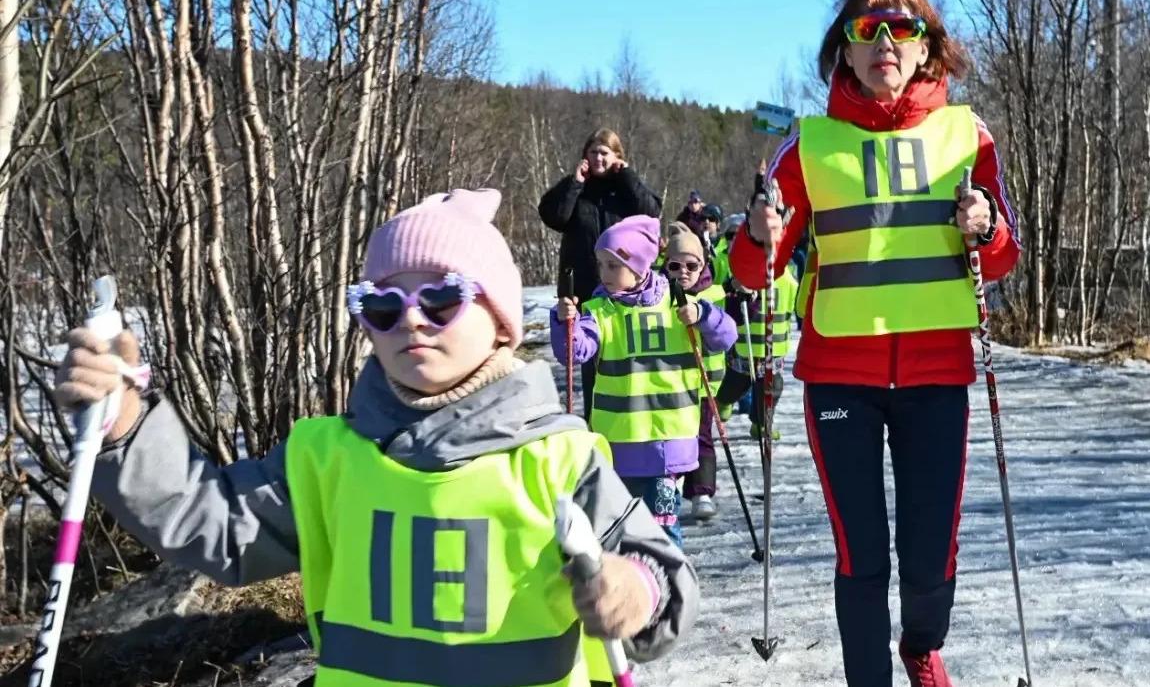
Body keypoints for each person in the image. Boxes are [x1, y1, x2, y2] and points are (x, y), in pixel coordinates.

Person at [56, 190, 698, 687]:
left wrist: (632, 590)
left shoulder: (560, 460)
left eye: (443, 299)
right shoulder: (327, 459)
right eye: (383, 306)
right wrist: (125, 427)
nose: (412, 320)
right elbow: (211, 523)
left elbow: (664, 580)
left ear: (502, 326)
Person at [730, 0, 1020, 687]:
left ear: (927, 49)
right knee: (863, 555)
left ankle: (921, 644)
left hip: (937, 375)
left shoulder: (965, 134)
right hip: (841, 380)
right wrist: (756, 233)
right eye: (867, 31)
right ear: (846, 53)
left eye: (902, 29)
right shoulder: (810, 143)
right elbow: (752, 272)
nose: (884, 42)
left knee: (928, 560)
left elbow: (1004, 253)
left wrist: (984, 229)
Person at [551, 216, 735, 546]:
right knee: (620, 530)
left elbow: (726, 337)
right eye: (601, 265)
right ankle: (632, 591)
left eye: (612, 265)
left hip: (668, 448)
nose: (603, 273)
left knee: (663, 529)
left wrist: (705, 315)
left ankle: (669, 589)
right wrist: (564, 322)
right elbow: (574, 352)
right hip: (618, 447)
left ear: (638, 268)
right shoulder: (600, 311)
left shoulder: (680, 305)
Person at [540, 129, 662, 421]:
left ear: (617, 156)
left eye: (604, 153)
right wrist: (574, 182)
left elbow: (651, 211)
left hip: (624, 292)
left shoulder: (624, 190)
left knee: (625, 360)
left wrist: (628, 176)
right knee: (591, 361)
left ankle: (632, 420)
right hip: (583, 289)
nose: (597, 158)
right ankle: (597, 424)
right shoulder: (577, 189)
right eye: (593, 152)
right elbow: (553, 216)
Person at [663, 222, 732, 521]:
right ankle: (671, 487)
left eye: (691, 265)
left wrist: (704, 316)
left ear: (703, 263)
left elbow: (725, 333)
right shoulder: (657, 295)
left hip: (705, 384)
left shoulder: (713, 292)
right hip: (670, 385)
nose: (683, 272)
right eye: (675, 265)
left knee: (702, 436)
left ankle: (702, 490)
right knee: (673, 438)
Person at [715, 262, 799, 441]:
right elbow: (723, 295)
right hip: (745, 346)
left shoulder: (788, 275)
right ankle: (722, 402)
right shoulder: (743, 272)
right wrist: (733, 287)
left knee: (771, 389)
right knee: (735, 383)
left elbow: (796, 303)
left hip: (774, 347)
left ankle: (761, 424)